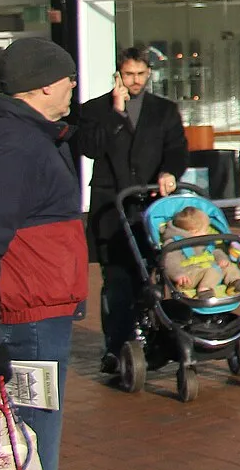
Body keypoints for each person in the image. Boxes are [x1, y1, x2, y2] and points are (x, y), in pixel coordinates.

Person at [0, 38, 86, 470]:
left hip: (34, 321)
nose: (75, 86)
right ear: (46, 84)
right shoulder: (14, 145)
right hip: (26, 329)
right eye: (69, 78)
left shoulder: (24, 136)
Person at [74, 47, 185, 374]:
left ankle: (152, 337)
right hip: (112, 209)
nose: (134, 81)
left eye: (140, 74)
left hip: (150, 207)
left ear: (148, 73)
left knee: (151, 276)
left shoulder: (164, 110)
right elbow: (90, 149)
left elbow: (177, 149)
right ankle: (117, 347)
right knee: (118, 280)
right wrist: (116, 111)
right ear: (118, 76)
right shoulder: (95, 110)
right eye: (128, 75)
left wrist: (170, 173)